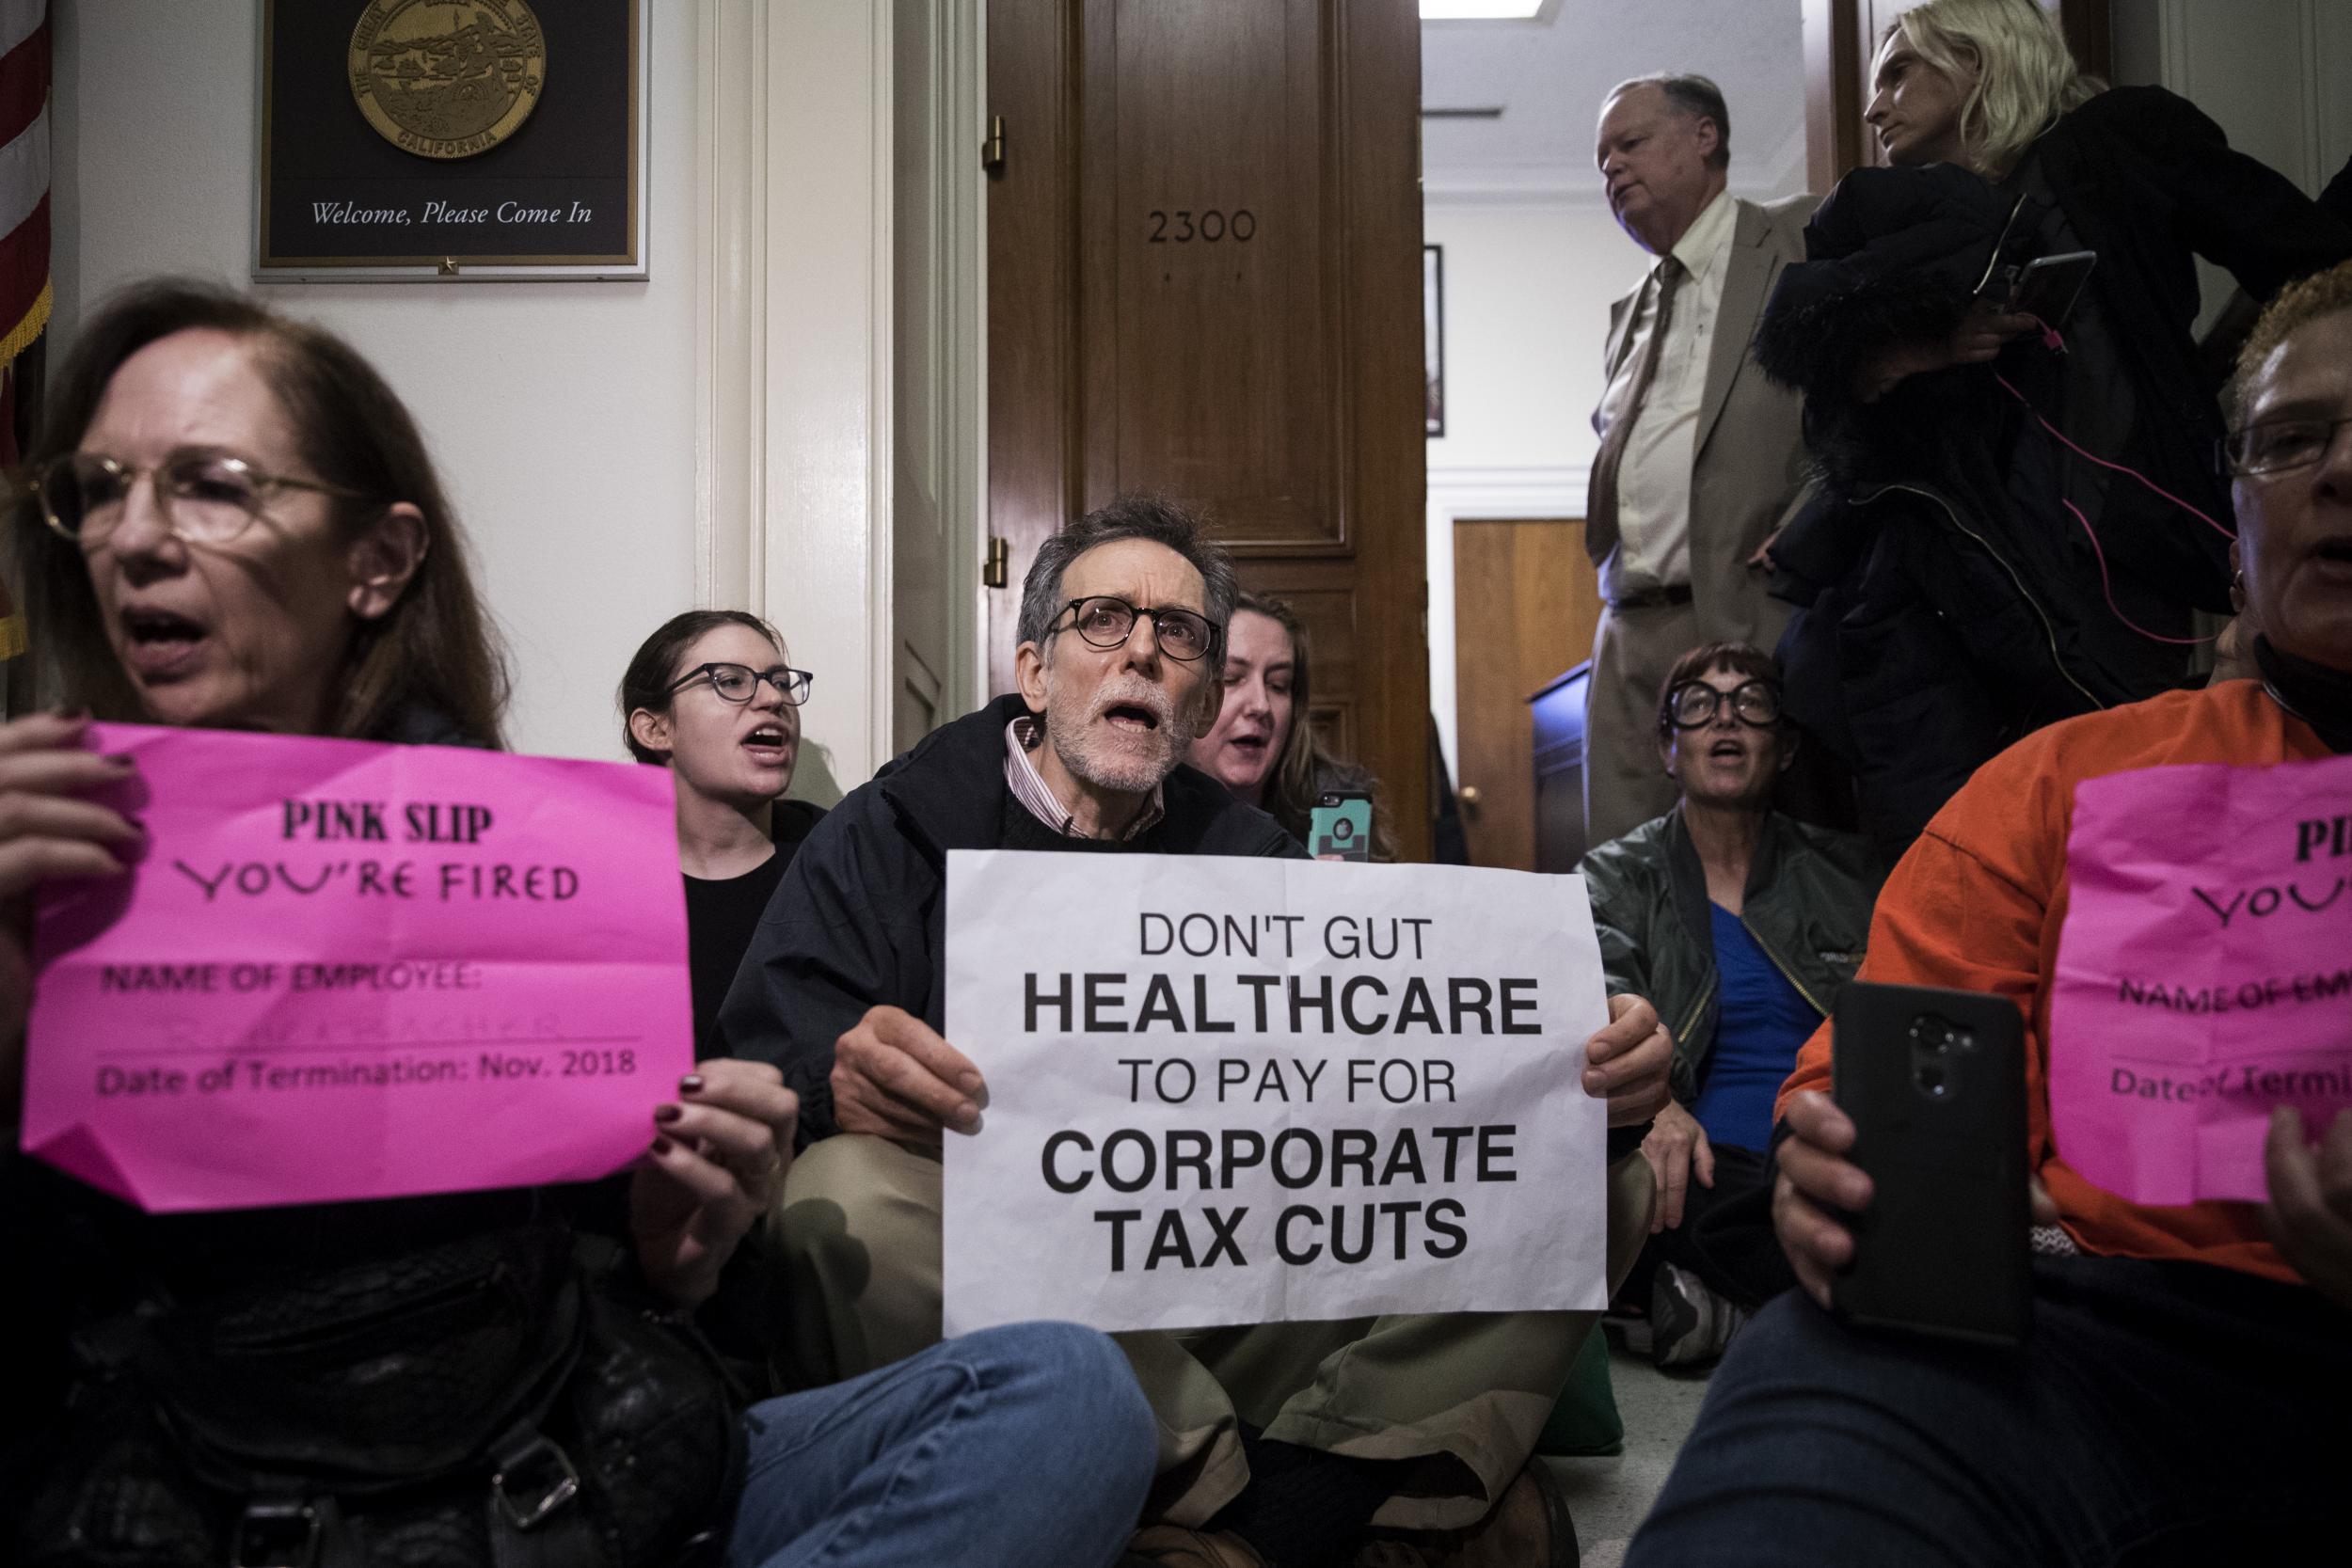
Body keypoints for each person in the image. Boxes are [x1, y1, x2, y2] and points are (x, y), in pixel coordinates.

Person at [0, 280, 1155, 1568]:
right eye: (98, 489)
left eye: (209, 484)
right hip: (219, 1498)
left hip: (569, 1465)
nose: (134, 537)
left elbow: (635, 1273)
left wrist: (676, 1251)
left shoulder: (527, 862)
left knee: (1068, 1400)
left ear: (379, 559)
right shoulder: (38, 870)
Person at [722, 497, 1673, 1568]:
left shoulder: (1262, 861)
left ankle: (1276, 1507)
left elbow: (1386, 1111)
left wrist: (1582, 1077)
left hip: (1220, 1284)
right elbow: (758, 1072)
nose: (1141, 650)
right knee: (840, 1197)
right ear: (1033, 670)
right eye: (1103, 620)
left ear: (1197, 694)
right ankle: (1349, 1509)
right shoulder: (889, 831)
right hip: (1014, 1293)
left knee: (1600, 1182)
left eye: (1177, 634)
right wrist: (836, 1082)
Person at [1626, 261, 2352, 1566]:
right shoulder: (2056, 784)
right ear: (2237, 525)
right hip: (2095, 1333)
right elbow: (1879, 1083)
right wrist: (1836, 1162)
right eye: (2292, 441)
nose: (2339, 472)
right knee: (1822, 1372)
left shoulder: (1823, 863)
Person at [1755, 0, 2352, 857]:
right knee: (1965, 866)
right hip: (1950, 600)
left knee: (2130, 847)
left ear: (1979, 62)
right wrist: (1910, 351)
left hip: (2114, 572)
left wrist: (2231, 384)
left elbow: (2306, 256)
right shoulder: (1900, 236)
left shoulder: (2112, 143)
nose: (1873, 107)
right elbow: (1843, 433)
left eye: (1897, 73)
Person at [1580, 642, 1876, 1366]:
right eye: (1699, 704)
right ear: (1668, 748)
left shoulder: (1855, 874)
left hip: (1826, 1145)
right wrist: (1658, 1108)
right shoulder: (1615, 876)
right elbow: (1599, 999)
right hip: (1698, 1172)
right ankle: (1851, 1306)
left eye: (1752, 703)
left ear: (1786, 746)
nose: (1726, 720)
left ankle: (1734, 1313)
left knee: (1841, 1187)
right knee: (1644, 1177)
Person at [1582, 72, 1818, 847]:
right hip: (1627, 626)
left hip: (1745, 606)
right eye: (1600, 158)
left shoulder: (1796, 240)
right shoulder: (1629, 310)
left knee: (1761, 858)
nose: (1611, 168)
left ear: (1704, 136)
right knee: (1622, 870)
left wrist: (1812, 520)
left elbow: (1870, 407)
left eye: (1631, 144)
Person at [620, 610, 828, 1052]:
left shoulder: (841, 861)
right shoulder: (602, 880)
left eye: (781, 681)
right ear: (656, 728)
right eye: (730, 681)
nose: (774, 698)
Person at [1186, 589, 1395, 860]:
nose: (1261, 705)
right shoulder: (1138, 812)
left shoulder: (1336, 814)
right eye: (1232, 678)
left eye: (1278, 685)